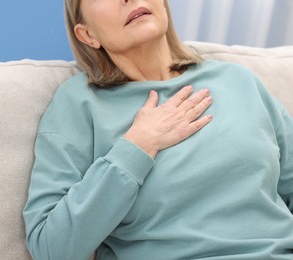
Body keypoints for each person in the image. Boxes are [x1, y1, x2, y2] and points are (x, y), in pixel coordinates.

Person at [23, 0, 293, 259]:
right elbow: (51, 248)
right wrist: (137, 146)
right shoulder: (79, 103)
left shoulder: (237, 80)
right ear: (87, 35)